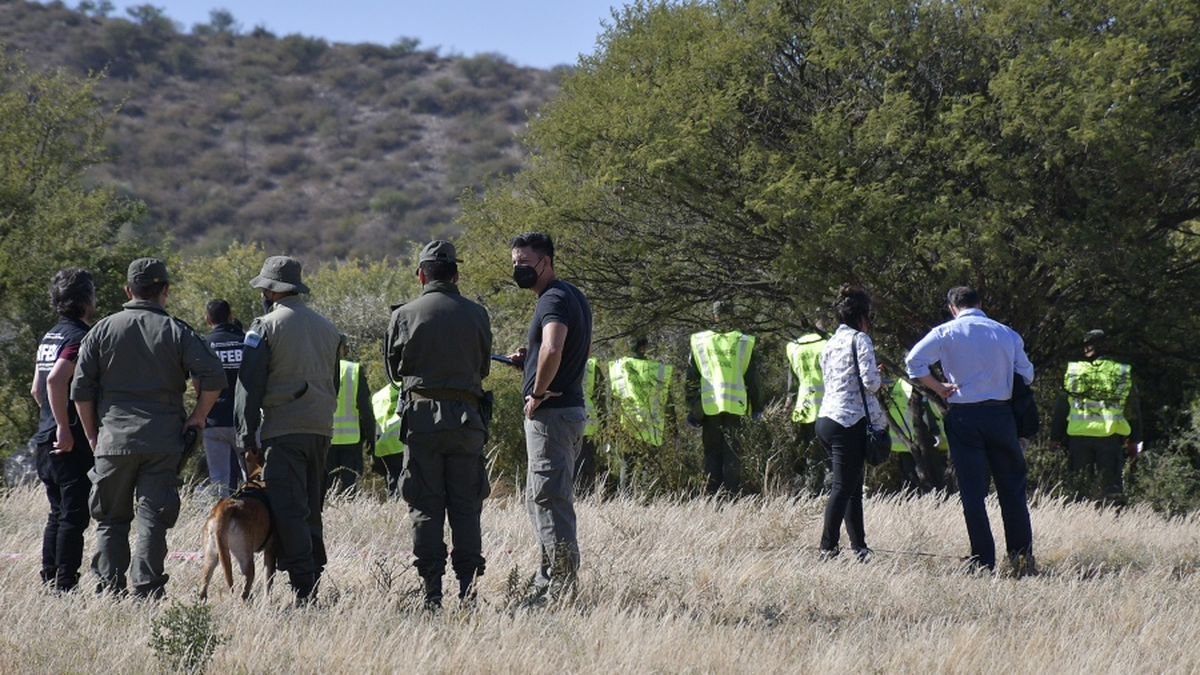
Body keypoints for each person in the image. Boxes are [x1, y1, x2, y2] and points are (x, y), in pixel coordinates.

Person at [72, 258, 226, 598]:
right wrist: (199, 416)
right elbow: (215, 377)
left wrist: (93, 436)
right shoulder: (177, 331)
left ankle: (109, 590)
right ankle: (147, 591)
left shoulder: (102, 330)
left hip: (113, 439)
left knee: (111, 519)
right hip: (163, 440)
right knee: (152, 520)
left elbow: (80, 391)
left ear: (129, 290)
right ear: (165, 291)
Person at [384, 239, 493, 609]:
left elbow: (394, 371)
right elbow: (483, 368)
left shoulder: (404, 315)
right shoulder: (477, 314)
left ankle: (432, 592)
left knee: (425, 505)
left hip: (422, 421)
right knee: (466, 504)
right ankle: (468, 590)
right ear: (456, 274)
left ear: (420, 275)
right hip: (466, 420)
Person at [906, 286, 1036, 575]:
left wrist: (939, 387)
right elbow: (1027, 374)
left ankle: (982, 560)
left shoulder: (946, 332)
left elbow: (913, 361)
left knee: (972, 491)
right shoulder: (1006, 333)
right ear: (980, 303)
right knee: (1011, 488)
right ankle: (1021, 558)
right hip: (1001, 415)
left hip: (964, 415)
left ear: (953, 308)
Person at [235, 255, 341, 604]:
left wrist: (247, 436)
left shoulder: (263, 326)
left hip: (283, 431)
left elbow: (248, 386)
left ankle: (303, 591)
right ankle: (313, 576)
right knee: (311, 508)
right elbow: (335, 383)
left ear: (270, 290)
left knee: (289, 509)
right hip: (321, 429)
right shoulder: (327, 328)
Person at [505, 231, 592, 603]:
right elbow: (559, 349)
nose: (518, 269)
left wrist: (537, 393)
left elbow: (554, 348)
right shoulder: (573, 295)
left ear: (547, 262)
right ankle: (548, 582)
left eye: (525, 263)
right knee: (542, 499)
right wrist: (531, 359)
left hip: (551, 415)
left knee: (549, 501)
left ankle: (559, 590)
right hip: (567, 411)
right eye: (514, 264)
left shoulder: (553, 298)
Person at [31, 268, 97, 593]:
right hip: (67, 440)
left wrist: (49, 419)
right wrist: (64, 426)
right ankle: (65, 585)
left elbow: (36, 390)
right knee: (73, 516)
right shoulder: (79, 336)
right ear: (86, 300)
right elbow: (57, 380)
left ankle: (50, 579)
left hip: (45, 440)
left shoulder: (50, 335)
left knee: (56, 513)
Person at [814, 285, 884, 560]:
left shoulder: (829, 343)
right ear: (862, 316)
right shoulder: (861, 340)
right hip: (849, 421)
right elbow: (870, 383)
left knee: (853, 486)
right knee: (843, 488)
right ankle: (827, 548)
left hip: (826, 420)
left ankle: (860, 548)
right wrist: (878, 379)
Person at [1049, 329, 1141, 500]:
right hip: (1110, 439)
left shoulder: (1075, 370)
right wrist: (1134, 441)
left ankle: (1080, 520)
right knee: (1111, 489)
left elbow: (1061, 408)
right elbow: (1132, 410)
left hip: (1079, 439)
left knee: (1079, 490)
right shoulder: (1121, 372)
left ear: (1086, 348)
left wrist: (1054, 438)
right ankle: (1113, 522)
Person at [685, 301, 762, 496]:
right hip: (735, 407)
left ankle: (712, 496)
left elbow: (691, 379)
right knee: (732, 454)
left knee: (711, 453)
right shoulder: (743, 341)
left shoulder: (701, 341)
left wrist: (692, 408)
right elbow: (751, 379)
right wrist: (757, 408)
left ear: (714, 316)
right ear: (732, 316)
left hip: (710, 407)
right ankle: (732, 496)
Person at [608, 336, 673, 493]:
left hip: (627, 425)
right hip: (651, 427)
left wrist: (612, 425)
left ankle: (625, 500)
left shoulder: (619, 367)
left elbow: (612, 400)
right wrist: (674, 428)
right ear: (644, 347)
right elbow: (668, 402)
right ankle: (646, 499)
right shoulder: (658, 369)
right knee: (648, 466)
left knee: (626, 465)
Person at [200, 299, 245, 497]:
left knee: (219, 482)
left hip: (214, 421)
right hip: (245, 421)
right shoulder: (247, 341)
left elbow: (198, 384)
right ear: (230, 317)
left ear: (208, 320)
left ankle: (223, 524)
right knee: (253, 478)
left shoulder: (204, 345)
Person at [326, 340, 374, 497]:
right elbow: (365, 408)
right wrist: (370, 438)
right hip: (351, 441)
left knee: (326, 491)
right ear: (342, 348)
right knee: (350, 491)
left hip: (326, 439)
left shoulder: (319, 368)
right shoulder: (353, 370)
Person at [785, 328, 827, 494]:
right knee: (830, 457)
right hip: (827, 408)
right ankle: (827, 494)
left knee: (811, 456)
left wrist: (788, 406)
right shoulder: (829, 343)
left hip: (804, 408)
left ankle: (811, 493)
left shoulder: (795, 346)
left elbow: (792, 386)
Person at [574, 355, 603, 493]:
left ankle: (576, 495)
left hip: (561, 423)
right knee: (585, 465)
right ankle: (583, 495)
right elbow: (600, 398)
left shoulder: (555, 357)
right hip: (587, 425)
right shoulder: (591, 366)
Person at [370, 383, 405, 498]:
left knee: (394, 489)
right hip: (407, 443)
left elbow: (376, 428)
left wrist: (374, 457)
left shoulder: (378, 396)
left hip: (387, 447)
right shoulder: (411, 387)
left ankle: (394, 511)